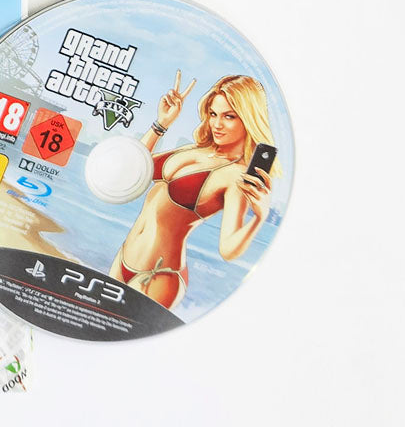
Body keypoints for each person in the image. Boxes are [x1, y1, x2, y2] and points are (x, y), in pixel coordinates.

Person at [109, 71, 279, 309]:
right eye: (213, 114)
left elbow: (228, 250)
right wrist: (161, 124)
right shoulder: (194, 150)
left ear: (248, 118)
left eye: (229, 116)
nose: (217, 124)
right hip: (124, 259)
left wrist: (260, 217)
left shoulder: (236, 176)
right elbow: (134, 169)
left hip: (160, 275)